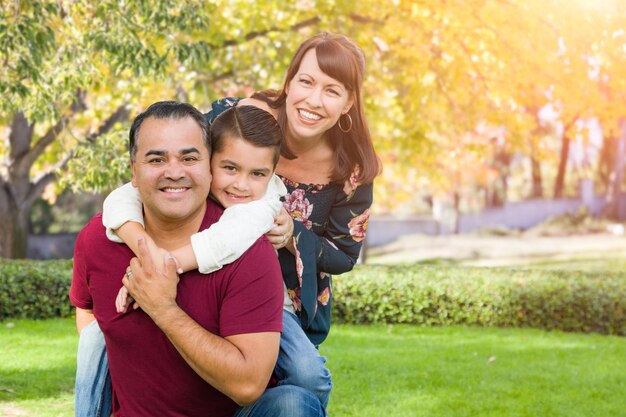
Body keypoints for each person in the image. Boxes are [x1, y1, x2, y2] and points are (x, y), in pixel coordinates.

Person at [104, 31, 380, 411]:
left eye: (332, 91)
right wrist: (147, 248)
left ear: (349, 102)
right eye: (306, 81)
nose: (314, 100)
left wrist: (292, 236)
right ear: (289, 81)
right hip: (198, 263)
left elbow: (345, 254)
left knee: (306, 377)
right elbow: (169, 166)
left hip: (278, 298)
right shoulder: (237, 118)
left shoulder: (353, 169)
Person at [70, 101, 324, 417]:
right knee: (94, 339)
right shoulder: (100, 236)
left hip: (234, 405)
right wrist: (146, 248)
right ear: (134, 171)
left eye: (189, 158)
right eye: (156, 159)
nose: (174, 172)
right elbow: (88, 310)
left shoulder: (249, 240)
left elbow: (247, 386)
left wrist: (163, 304)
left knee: (299, 396)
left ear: (205, 165)